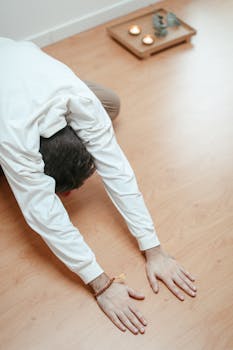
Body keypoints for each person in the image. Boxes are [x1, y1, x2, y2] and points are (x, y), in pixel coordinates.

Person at [0, 37, 197, 335]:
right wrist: (100, 284)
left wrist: (154, 249)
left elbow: (118, 172)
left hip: (35, 78)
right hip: (9, 110)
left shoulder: (82, 103)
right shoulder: (13, 140)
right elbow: (44, 216)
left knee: (110, 104)